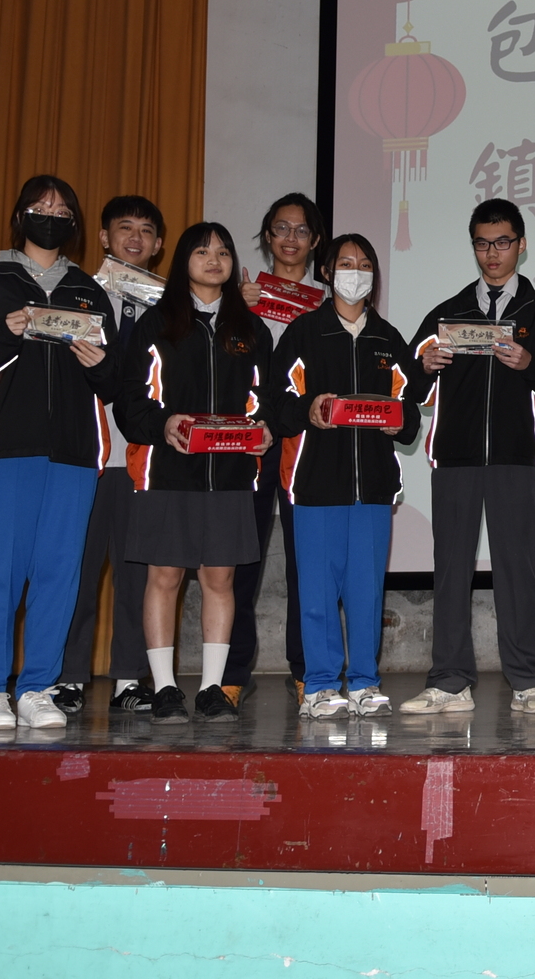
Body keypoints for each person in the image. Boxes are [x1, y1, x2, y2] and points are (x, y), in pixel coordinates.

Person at [0, 175, 115, 731]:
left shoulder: (89, 291)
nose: (50, 217)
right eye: (40, 207)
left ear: (74, 224)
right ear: (19, 217)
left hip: (75, 452)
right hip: (6, 447)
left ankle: (38, 687)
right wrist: (4, 336)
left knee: (59, 575)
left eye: (61, 211)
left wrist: (100, 366)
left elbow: (117, 380)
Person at [401, 198, 535, 716]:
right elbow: (407, 385)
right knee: (451, 569)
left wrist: (531, 364)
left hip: (515, 457)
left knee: (517, 567)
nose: (492, 253)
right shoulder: (447, 313)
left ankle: (528, 679)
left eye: (502, 242)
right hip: (454, 457)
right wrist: (425, 365)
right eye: (482, 243)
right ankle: (450, 681)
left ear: (521, 244)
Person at [117, 222, 275, 724]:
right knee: (164, 576)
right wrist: (164, 424)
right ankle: (164, 687)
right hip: (168, 473)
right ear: (183, 259)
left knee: (221, 579)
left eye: (223, 252)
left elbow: (267, 400)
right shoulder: (157, 324)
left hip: (230, 475)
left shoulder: (250, 329)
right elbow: (131, 403)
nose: (214, 260)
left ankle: (211, 688)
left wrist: (265, 429)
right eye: (203, 251)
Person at [272, 234, 423, 719]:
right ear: (327, 272)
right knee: (316, 592)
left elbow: (410, 411)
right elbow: (276, 405)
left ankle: (363, 682)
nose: (355, 273)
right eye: (346, 263)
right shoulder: (304, 333)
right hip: (316, 483)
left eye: (364, 265)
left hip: (374, 488)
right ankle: (318, 686)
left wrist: (400, 421)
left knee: (366, 591)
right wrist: (309, 409)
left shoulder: (388, 339)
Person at [50, 195, 164, 715]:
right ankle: (67, 676)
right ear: (103, 237)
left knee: (137, 574)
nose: (135, 238)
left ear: (158, 244)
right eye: (125, 228)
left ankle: (129, 680)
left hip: (143, 459)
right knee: (74, 569)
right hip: (84, 455)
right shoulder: (73, 294)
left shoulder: (170, 307)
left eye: (146, 230)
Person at [229, 193, 328, 707]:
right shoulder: (240, 296)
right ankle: (232, 670)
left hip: (304, 442)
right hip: (246, 440)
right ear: (268, 236)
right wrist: (234, 310)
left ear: (315, 241)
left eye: (301, 230)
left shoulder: (329, 302)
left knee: (304, 560)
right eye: (282, 228)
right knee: (240, 556)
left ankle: (306, 668)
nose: (291, 239)